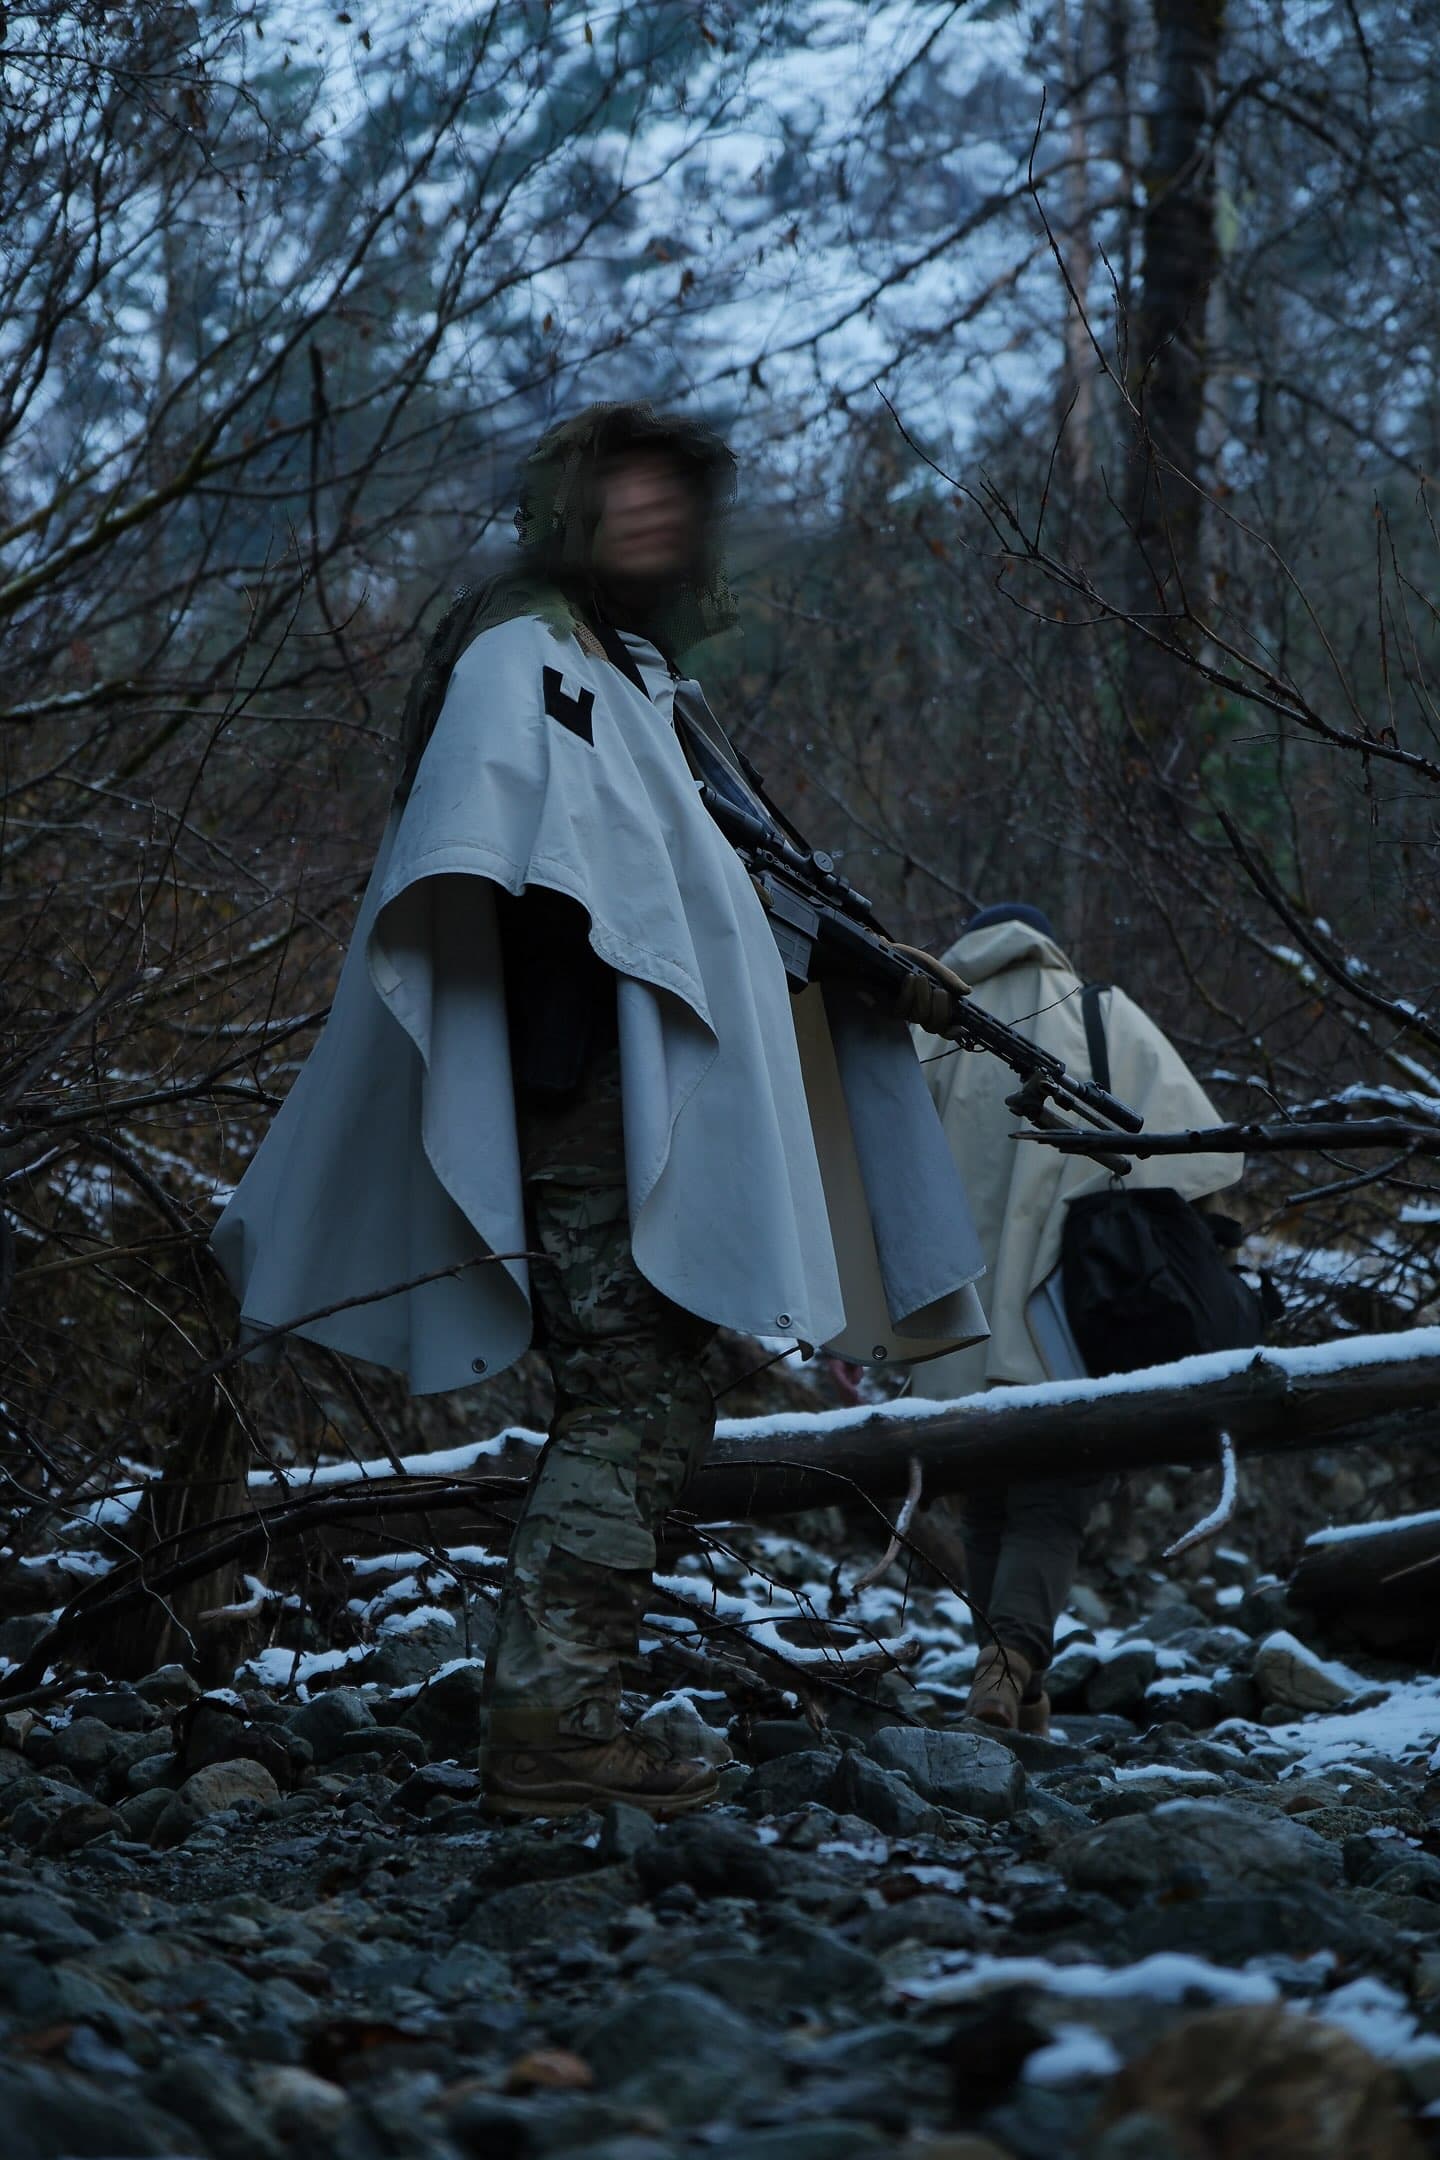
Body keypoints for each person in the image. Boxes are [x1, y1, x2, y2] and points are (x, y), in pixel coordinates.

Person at [214, 402, 989, 1818]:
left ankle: (562, 1711)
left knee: (657, 1385)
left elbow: (716, 882)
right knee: (635, 1391)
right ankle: (554, 1733)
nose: (649, 513)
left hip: (625, 1095)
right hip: (583, 1098)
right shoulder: (528, 653)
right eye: (620, 488)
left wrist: (878, 969)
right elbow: (519, 857)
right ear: (572, 505)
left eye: (670, 492)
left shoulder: (632, 679)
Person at [911, 903, 1242, 1734]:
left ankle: (1014, 1686)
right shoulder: (1103, 1015)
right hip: (1075, 1315)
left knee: (988, 1503)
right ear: (1050, 942)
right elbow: (1205, 1153)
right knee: (1050, 1505)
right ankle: (1011, 1665)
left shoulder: (933, 1031)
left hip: (957, 1319)